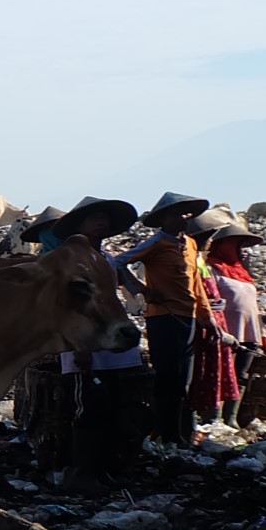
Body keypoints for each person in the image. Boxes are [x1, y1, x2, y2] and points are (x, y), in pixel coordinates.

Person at [18, 197, 148, 487]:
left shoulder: (108, 259)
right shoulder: (69, 264)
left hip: (114, 339)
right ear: (78, 226)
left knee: (115, 406)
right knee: (86, 408)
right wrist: (80, 348)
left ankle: (106, 468)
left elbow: (127, 291)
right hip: (84, 342)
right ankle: (81, 472)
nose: (101, 223)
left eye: (105, 218)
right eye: (94, 218)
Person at [114, 191, 212, 447]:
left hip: (187, 317)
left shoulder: (190, 244)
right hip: (164, 317)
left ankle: (179, 434)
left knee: (183, 381)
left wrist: (206, 315)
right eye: (179, 214)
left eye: (187, 214)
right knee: (167, 378)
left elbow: (196, 284)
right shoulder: (156, 244)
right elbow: (119, 263)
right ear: (164, 219)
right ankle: (165, 433)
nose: (185, 218)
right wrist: (142, 290)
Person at [199, 222, 266, 425]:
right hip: (226, 332)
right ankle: (214, 418)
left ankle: (231, 419)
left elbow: (254, 308)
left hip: (250, 333)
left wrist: (263, 334)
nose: (241, 250)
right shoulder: (210, 268)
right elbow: (207, 297)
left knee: (241, 375)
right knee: (221, 374)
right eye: (236, 244)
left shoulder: (242, 273)